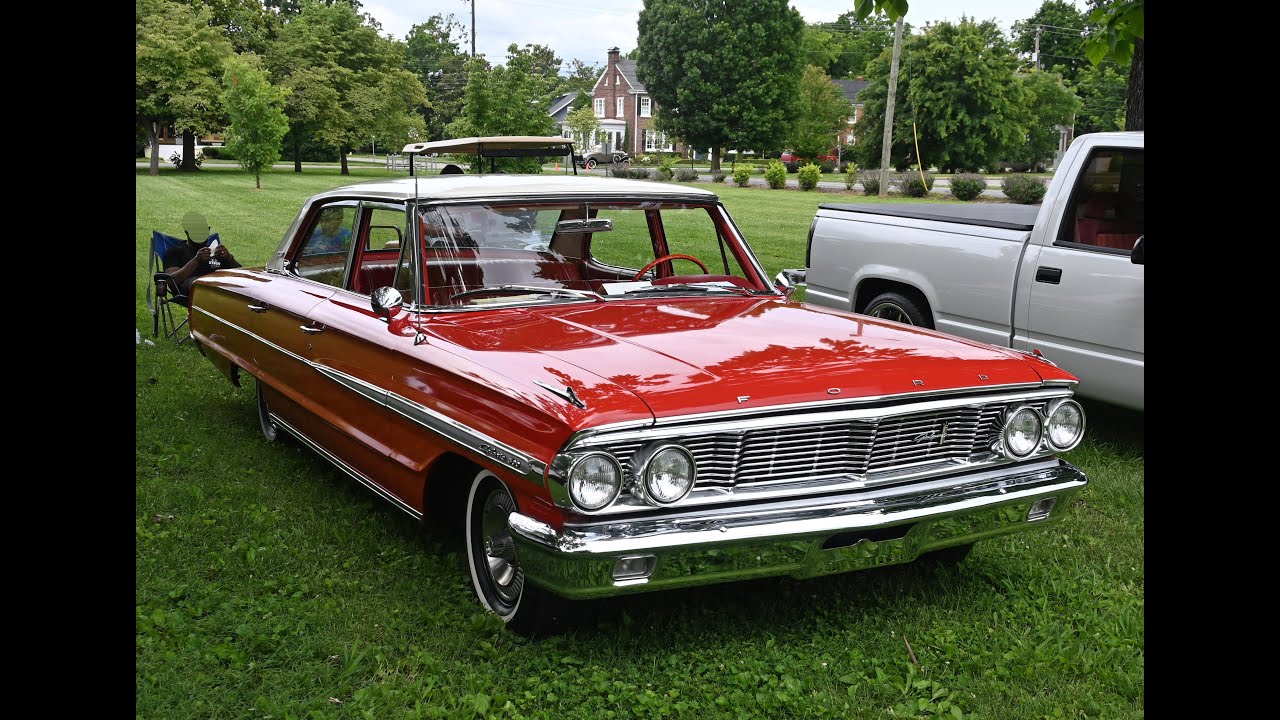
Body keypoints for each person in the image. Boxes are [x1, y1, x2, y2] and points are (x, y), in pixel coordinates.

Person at [163, 214, 240, 297]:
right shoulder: (176, 251)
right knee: (195, 282)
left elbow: (241, 275)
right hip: (194, 291)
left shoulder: (215, 250)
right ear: (187, 232)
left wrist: (229, 258)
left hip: (220, 287)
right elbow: (172, 280)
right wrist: (196, 261)